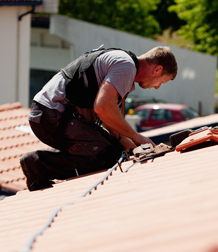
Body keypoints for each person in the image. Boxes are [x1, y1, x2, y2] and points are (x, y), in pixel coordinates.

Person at [20, 46, 178, 191]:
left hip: (56, 116)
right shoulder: (126, 66)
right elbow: (102, 108)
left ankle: (48, 162)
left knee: (117, 153)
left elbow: (113, 126)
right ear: (157, 69)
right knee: (106, 158)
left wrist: (140, 149)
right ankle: (38, 164)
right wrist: (137, 137)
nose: (157, 87)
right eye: (162, 82)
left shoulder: (125, 66)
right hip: (51, 116)